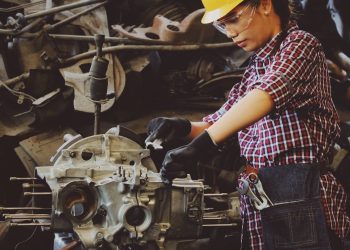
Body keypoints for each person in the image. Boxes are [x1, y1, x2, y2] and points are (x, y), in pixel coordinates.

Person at [145, 0, 350, 249]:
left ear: (264, 4)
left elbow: (267, 94)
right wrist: (182, 127)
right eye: (222, 26)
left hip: (301, 198)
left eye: (233, 19)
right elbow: (221, 122)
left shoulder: (301, 44)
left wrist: (201, 146)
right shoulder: (254, 69)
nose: (230, 33)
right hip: (262, 199)